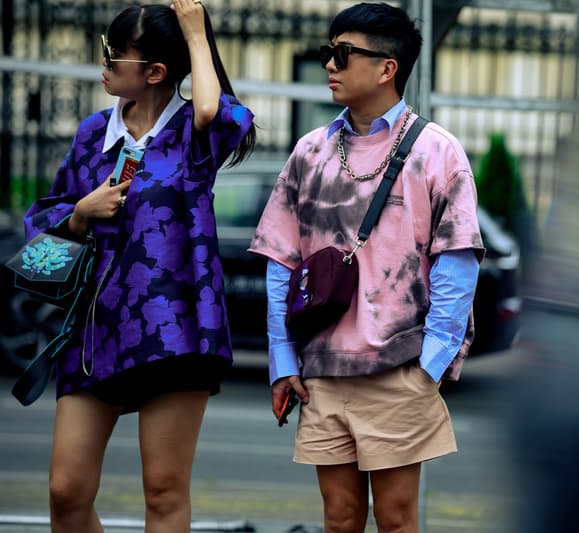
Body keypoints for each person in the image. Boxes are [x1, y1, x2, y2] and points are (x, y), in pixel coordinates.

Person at [248, 3, 484, 532]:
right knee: (340, 518)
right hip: (323, 371)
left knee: (397, 520)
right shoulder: (311, 151)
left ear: (387, 68)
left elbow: (458, 259)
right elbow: (280, 261)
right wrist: (282, 359)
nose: (330, 63)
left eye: (343, 53)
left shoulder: (436, 150)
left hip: (398, 366)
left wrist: (431, 363)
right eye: (330, 51)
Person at [21, 1, 255, 531]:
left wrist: (196, 32)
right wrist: (80, 214)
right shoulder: (91, 134)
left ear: (155, 72)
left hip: (175, 334)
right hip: (93, 334)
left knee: (164, 492)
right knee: (65, 492)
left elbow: (213, 112)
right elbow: (46, 222)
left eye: (113, 56)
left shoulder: (199, 136)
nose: (102, 64)